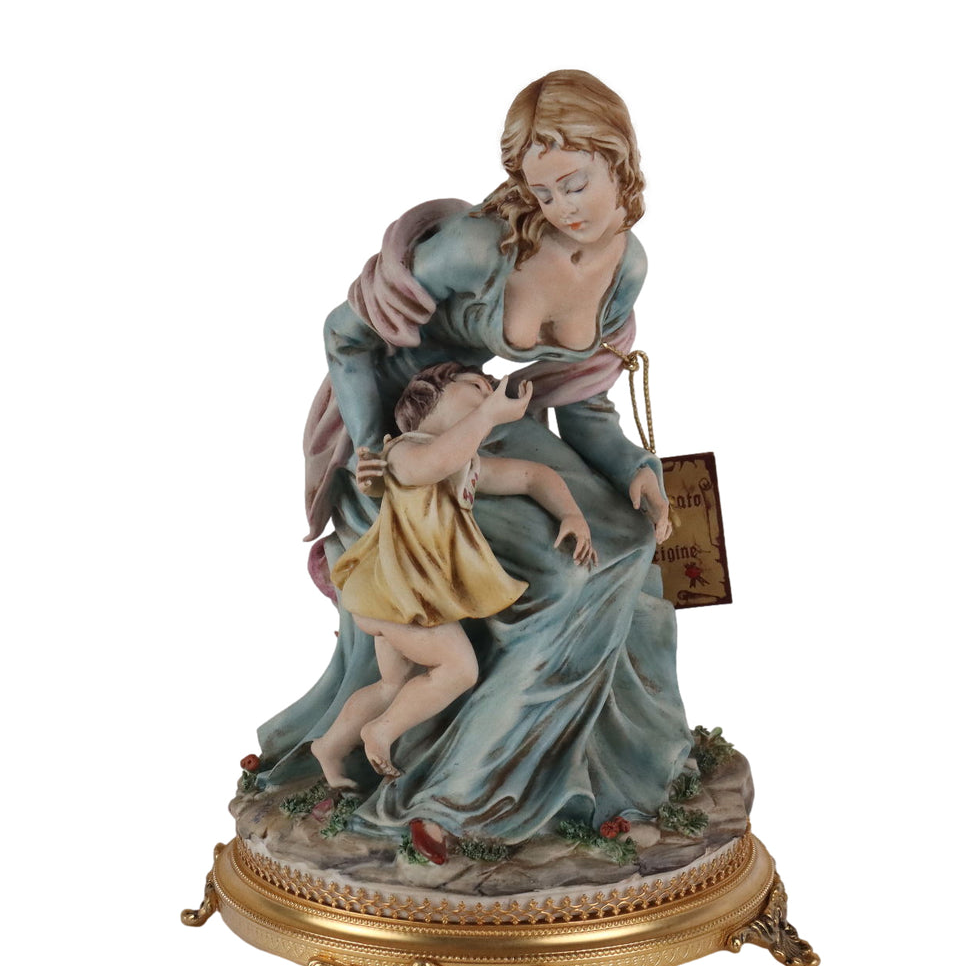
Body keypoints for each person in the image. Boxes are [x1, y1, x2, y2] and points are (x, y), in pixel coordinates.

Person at [258, 70, 695, 848]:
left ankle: (605, 780)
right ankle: (458, 800)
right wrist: (374, 450)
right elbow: (344, 335)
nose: (562, 208)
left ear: (619, 157)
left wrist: (632, 467)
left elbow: (581, 401)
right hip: (407, 435)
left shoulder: (626, 267)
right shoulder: (475, 248)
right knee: (563, 579)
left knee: (633, 545)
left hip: (489, 414)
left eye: (575, 183)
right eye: (543, 191)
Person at [310, 363, 596, 861]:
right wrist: (488, 416)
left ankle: (330, 748)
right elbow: (430, 464)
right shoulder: (404, 449)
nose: (489, 392)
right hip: (398, 595)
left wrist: (571, 512)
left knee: (393, 685)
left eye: (490, 389)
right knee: (459, 670)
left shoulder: (467, 463)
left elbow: (532, 475)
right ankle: (382, 731)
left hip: (409, 598)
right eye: (477, 387)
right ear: (429, 396)